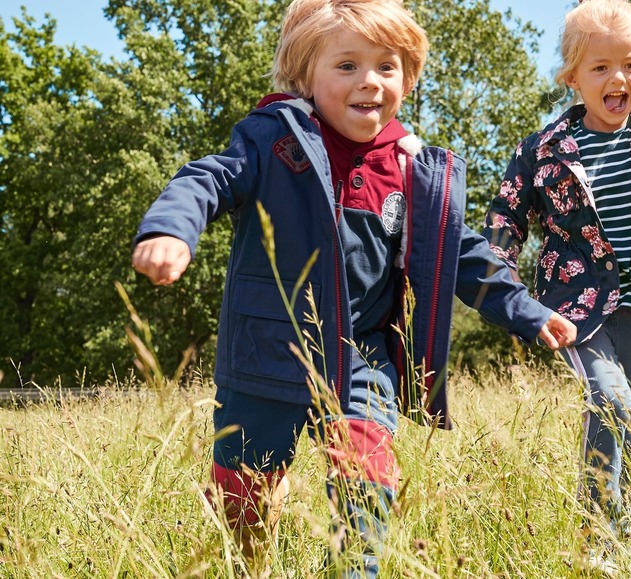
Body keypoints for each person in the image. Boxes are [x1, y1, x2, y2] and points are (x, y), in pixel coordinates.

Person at [131, 0, 577, 576]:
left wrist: (525, 310)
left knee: (369, 489)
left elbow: (464, 253)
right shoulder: (273, 142)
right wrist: (172, 228)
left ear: (407, 79)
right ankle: (250, 552)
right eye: (346, 66)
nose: (369, 81)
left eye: (386, 67)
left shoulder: (414, 171)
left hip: (363, 360)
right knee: (243, 505)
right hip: (268, 357)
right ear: (303, 76)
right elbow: (208, 179)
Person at [483, 0, 631, 572]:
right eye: (601, 68)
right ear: (573, 78)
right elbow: (507, 219)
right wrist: (501, 288)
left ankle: (624, 534)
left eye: (630, 66)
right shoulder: (545, 147)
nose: (618, 79)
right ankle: (597, 544)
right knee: (607, 400)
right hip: (574, 305)